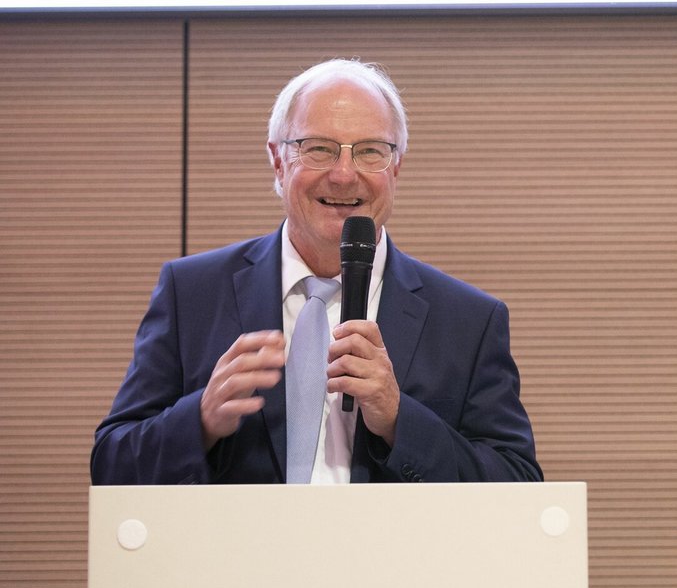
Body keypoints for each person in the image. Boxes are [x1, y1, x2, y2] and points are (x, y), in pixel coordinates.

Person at [92, 58, 541, 485]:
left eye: (370, 151)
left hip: (397, 562)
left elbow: (518, 483)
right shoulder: (191, 293)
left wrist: (400, 420)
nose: (344, 175)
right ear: (277, 158)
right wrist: (201, 420)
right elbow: (111, 464)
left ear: (397, 165)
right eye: (319, 149)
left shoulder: (468, 320)